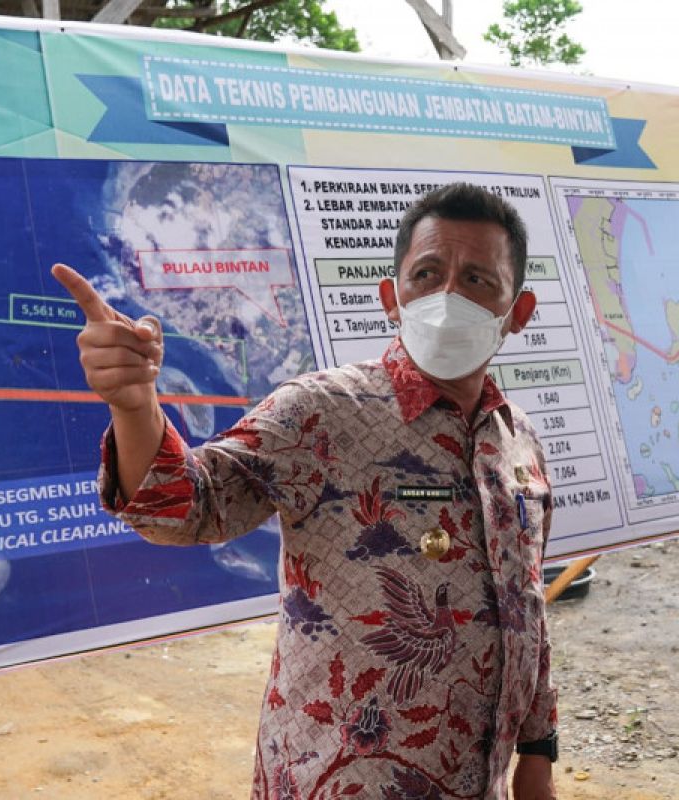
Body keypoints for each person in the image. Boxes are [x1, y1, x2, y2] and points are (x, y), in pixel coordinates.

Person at [52, 183, 559, 800]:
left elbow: (525, 608)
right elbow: (186, 509)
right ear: (391, 299)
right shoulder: (320, 412)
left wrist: (538, 754)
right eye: (427, 273)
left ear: (519, 312)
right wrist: (135, 408)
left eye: (478, 280)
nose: (448, 296)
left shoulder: (519, 443)